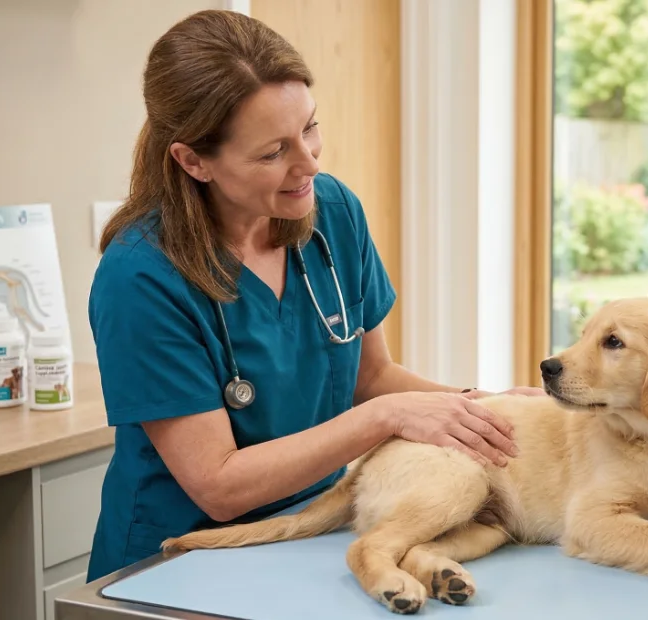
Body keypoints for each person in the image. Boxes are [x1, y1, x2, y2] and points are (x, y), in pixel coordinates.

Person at [84, 10, 540, 582]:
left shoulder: (333, 214)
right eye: (272, 152)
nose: (309, 163)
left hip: (307, 534)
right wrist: (386, 418)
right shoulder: (140, 278)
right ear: (193, 160)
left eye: (310, 128)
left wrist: (481, 412)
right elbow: (220, 485)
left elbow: (371, 379)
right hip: (180, 558)